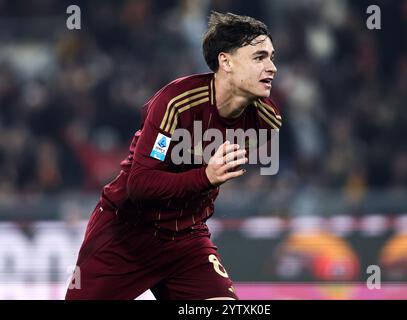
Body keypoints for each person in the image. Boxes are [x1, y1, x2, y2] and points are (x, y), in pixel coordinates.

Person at [65, 11, 281, 300]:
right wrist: (205, 176)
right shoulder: (177, 102)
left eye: (271, 57)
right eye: (259, 57)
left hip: (186, 241)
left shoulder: (267, 121)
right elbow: (139, 185)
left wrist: (206, 180)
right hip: (126, 234)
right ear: (225, 61)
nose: (272, 67)